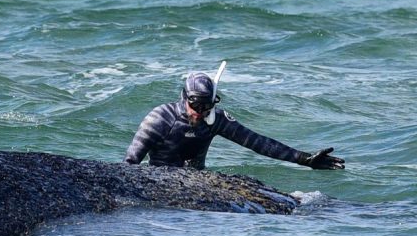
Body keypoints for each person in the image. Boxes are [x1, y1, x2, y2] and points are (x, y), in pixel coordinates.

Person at [125, 71, 344, 170]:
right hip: (160, 179)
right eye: (195, 105)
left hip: (198, 181)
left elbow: (257, 142)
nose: (200, 112)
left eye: (207, 106)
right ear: (184, 98)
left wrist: (304, 159)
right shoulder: (160, 118)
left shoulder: (215, 119)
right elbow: (130, 162)